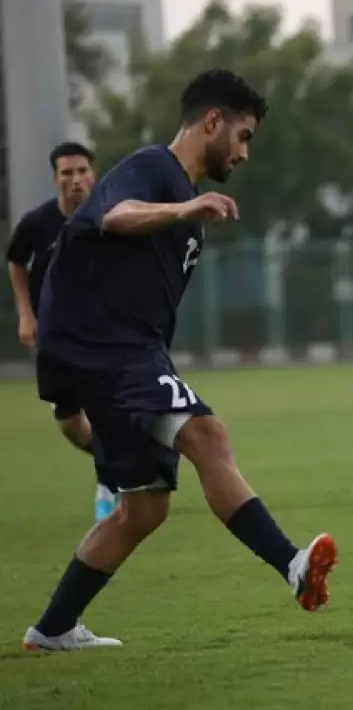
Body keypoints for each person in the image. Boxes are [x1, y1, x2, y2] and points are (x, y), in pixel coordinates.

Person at [22, 70, 337, 652]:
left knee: (145, 508)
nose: (243, 153)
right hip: (105, 348)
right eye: (242, 136)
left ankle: (52, 629)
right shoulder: (155, 169)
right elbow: (113, 218)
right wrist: (183, 209)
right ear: (211, 122)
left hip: (116, 352)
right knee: (208, 435)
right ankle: (293, 566)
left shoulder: (184, 201)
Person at [6, 142, 118, 521]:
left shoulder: (112, 217)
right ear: (55, 179)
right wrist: (25, 312)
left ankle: (109, 483)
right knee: (70, 423)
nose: (75, 180)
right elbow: (16, 262)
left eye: (81, 170)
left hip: (101, 334)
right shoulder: (38, 224)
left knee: (106, 410)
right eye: (66, 173)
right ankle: (115, 462)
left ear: (93, 173)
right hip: (53, 337)